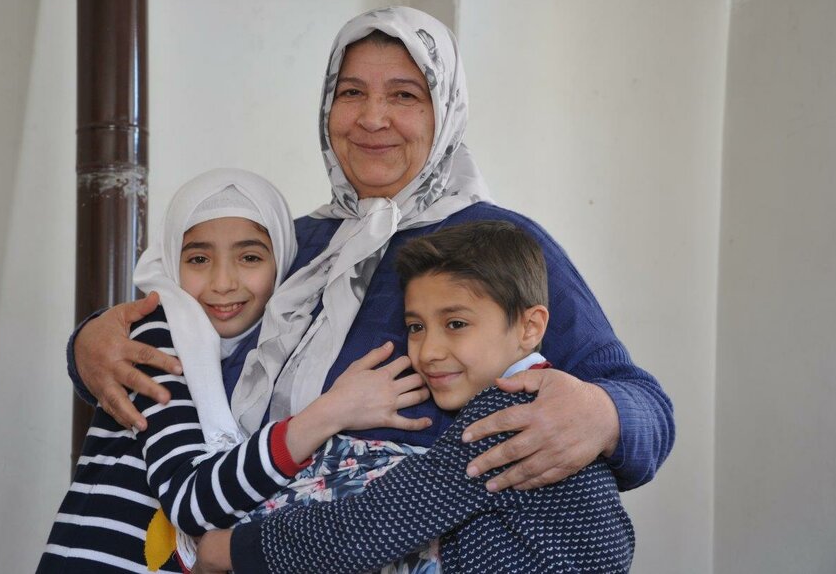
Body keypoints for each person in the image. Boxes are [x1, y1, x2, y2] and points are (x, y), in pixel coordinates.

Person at [68, 4, 673, 553]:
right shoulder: (286, 244)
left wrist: (602, 413)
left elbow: (643, 404)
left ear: (446, 108)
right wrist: (88, 346)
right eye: (352, 92)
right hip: (228, 538)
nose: (373, 118)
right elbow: (183, 340)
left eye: (405, 95)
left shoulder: (496, 245)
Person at [39, 169, 431, 573]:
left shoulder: (263, 343)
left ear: (283, 265)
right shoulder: (157, 336)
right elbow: (190, 502)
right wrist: (332, 412)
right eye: (198, 259)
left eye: (249, 257)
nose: (223, 282)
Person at [193, 220, 636, 574]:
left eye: (456, 324)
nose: (429, 351)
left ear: (529, 328)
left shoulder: (514, 415)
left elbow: (371, 527)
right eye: (416, 327)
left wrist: (233, 549)